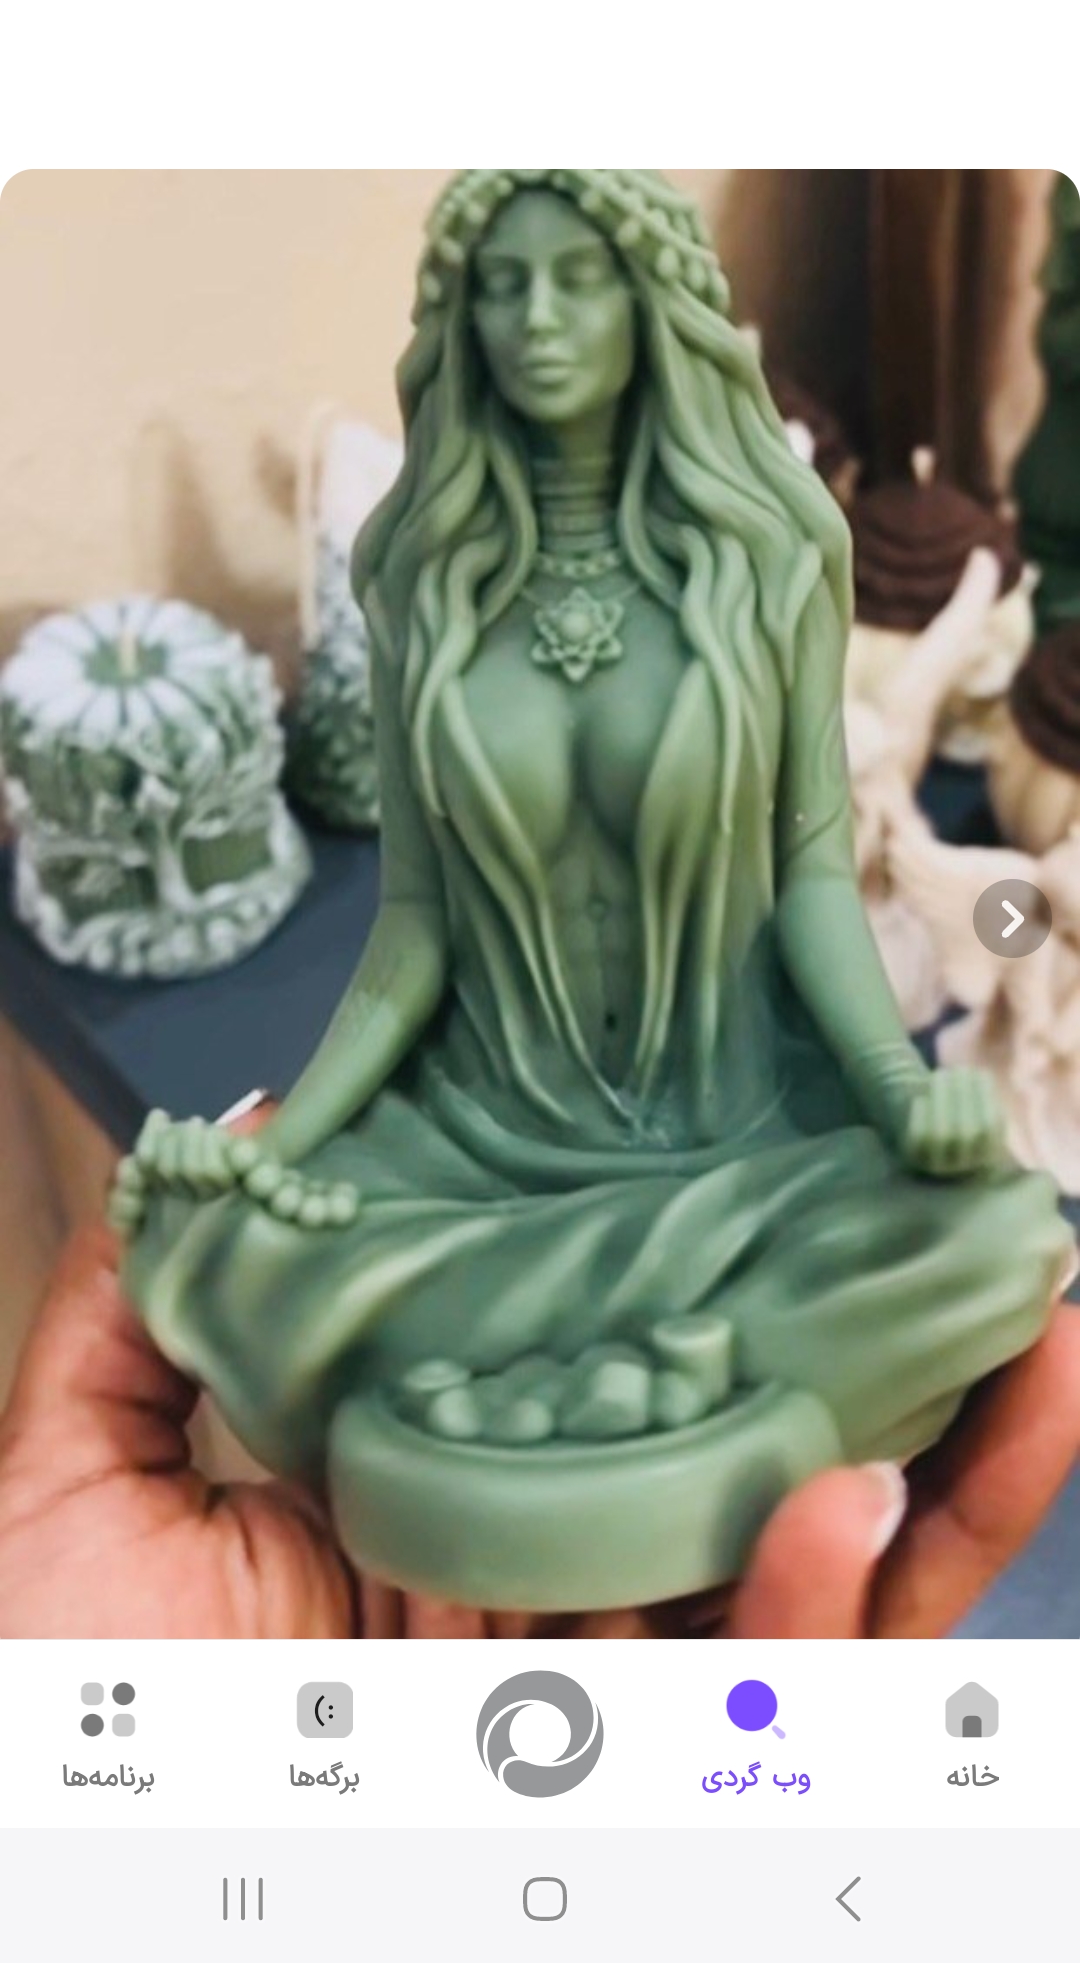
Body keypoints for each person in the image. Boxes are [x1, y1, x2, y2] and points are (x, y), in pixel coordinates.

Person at [109, 170, 1071, 1616]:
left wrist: (898, 1094)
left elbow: (817, 880)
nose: (537, 319)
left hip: (740, 1136)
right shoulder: (425, 583)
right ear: (460, 321)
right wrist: (282, 1146)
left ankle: (551, 1378)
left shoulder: (768, 560)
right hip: (483, 1142)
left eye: (578, 278)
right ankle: (635, 1372)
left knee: (994, 1232)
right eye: (502, 286)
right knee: (210, 1245)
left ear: (652, 303)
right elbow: (415, 929)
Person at [1, 1199, 1078, 1636]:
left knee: (967, 1228)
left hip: (714, 1168)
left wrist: (906, 1105)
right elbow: (403, 974)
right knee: (270, 1243)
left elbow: (815, 951)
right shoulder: (465, 790)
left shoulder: (738, 799)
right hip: (485, 1165)